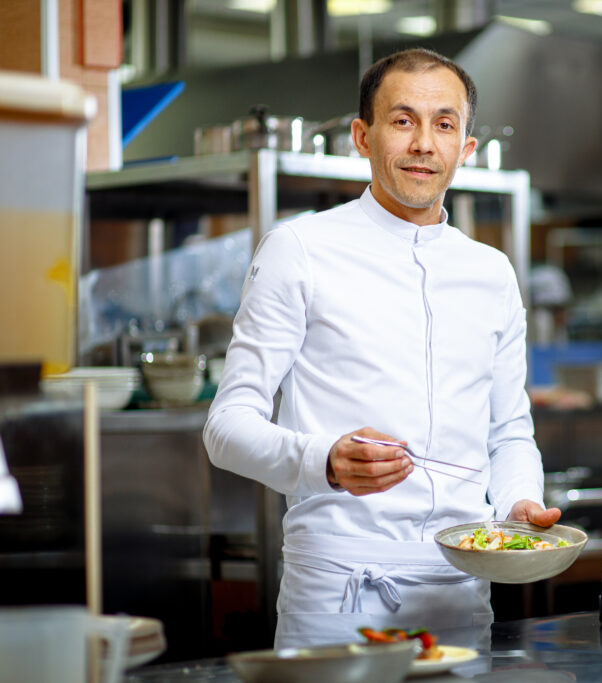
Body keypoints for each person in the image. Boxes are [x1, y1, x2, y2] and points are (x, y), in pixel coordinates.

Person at [203, 47, 561, 647]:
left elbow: (508, 431)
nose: (424, 143)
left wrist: (520, 504)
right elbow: (226, 427)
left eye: (444, 124)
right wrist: (324, 461)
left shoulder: (492, 271)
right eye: (403, 120)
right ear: (362, 138)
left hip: (461, 585)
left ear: (465, 149)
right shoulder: (300, 249)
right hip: (339, 589)